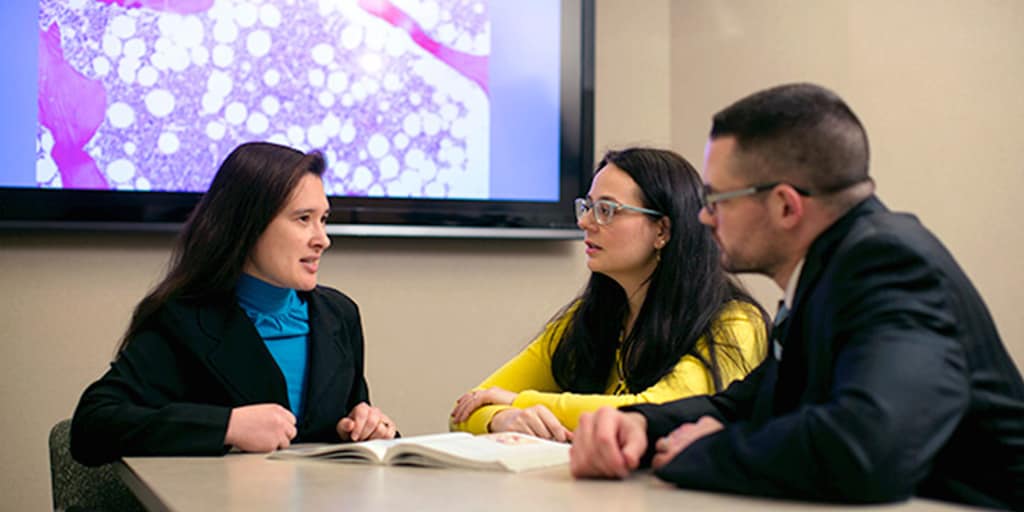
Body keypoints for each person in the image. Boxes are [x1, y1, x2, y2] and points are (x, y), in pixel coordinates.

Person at [569, 84, 1024, 509]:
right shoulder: (833, 270)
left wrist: (704, 453)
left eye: (717, 199)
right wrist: (641, 426)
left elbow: (864, 450)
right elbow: (749, 402)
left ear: (786, 206)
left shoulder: (889, 265)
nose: (705, 218)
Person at [71, 142, 397, 466]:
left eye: (323, 219)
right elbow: (93, 426)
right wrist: (228, 426)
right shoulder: (182, 319)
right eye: (303, 219)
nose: (322, 239)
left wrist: (370, 429)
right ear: (248, 224)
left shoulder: (339, 315)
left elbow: (351, 423)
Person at [449, 148, 768, 441]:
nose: (585, 222)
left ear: (663, 231)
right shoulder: (588, 317)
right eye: (587, 207)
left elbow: (658, 411)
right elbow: (467, 408)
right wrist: (502, 419)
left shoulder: (735, 322)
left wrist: (519, 401)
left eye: (607, 210)